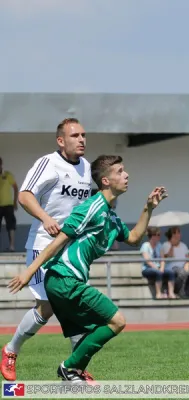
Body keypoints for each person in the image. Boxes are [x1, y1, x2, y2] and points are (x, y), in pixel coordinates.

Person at [7, 155, 167, 382]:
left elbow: (132, 237)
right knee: (117, 321)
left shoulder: (110, 215)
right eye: (120, 171)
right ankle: (68, 368)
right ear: (106, 181)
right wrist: (30, 271)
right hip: (64, 279)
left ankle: (73, 374)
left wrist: (148, 208)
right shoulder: (91, 207)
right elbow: (58, 242)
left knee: (81, 332)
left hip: (68, 281)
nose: (126, 174)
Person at [1, 118, 92, 381]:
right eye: (75, 135)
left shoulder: (86, 168)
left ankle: (75, 368)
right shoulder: (48, 163)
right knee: (49, 305)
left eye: (84, 135)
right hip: (43, 246)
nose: (82, 139)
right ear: (61, 141)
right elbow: (25, 195)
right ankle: (10, 349)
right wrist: (45, 218)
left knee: (71, 304)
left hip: (72, 250)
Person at [0, 157, 18, 252]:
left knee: (11, 226)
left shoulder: (8, 175)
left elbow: (15, 188)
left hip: (8, 205)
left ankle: (11, 246)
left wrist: (15, 202)